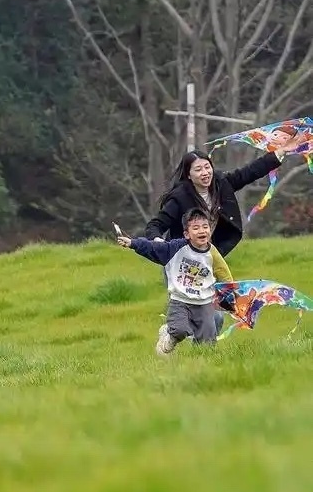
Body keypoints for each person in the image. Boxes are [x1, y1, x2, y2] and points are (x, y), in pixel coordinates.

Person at [144, 130, 296, 332]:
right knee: (192, 313)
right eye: (198, 170)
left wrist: (280, 152)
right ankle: (172, 331)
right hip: (180, 262)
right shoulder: (179, 197)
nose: (205, 173)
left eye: (207, 167)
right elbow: (156, 224)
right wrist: (157, 241)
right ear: (188, 175)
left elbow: (249, 172)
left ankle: (201, 354)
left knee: (215, 318)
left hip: (206, 257)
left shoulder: (221, 184)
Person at [117, 208, 219, 355]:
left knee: (208, 342)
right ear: (187, 234)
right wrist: (133, 243)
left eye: (205, 227)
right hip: (180, 300)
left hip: (204, 302)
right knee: (180, 330)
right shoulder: (176, 248)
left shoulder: (212, 252)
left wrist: (231, 292)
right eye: (195, 228)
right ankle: (168, 334)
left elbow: (223, 272)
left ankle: (199, 362)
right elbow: (154, 247)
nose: (201, 231)